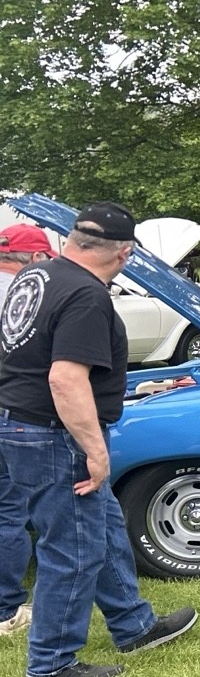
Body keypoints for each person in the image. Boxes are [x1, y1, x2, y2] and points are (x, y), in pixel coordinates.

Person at [0, 202, 197, 677]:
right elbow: (65, 379)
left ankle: (134, 625)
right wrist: (95, 449)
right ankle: (50, 666)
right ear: (124, 254)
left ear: (73, 239)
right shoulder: (87, 295)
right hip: (53, 432)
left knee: (102, 525)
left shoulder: (38, 275)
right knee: (73, 548)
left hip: (16, 419)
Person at [0, 222, 56, 636]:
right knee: (9, 511)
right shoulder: (23, 296)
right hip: (12, 411)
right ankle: (5, 609)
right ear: (35, 258)